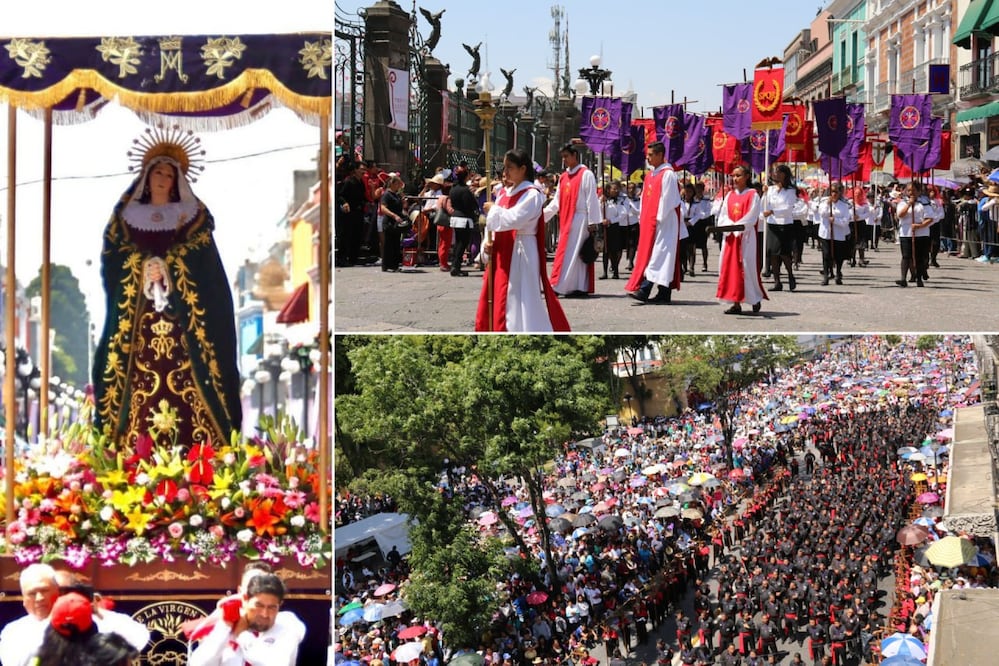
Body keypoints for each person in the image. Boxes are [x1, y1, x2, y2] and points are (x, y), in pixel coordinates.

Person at [92, 147, 242, 451]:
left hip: (182, 319)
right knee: (132, 377)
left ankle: (201, 448)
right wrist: (143, 266)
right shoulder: (125, 218)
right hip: (138, 318)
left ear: (177, 181)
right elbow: (113, 259)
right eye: (158, 172)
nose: (163, 178)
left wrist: (170, 266)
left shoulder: (191, 216)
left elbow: (206, 263)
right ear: (147, 178)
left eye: (170, 174)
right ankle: (128, 448)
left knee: (191, 376)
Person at [474, 148, 570, 332]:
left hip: (521, 249)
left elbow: (514, 219)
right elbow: (493, 225)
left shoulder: (532, 194)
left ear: (523, 168)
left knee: (521, 297)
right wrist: (487, 244)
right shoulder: (504, 193)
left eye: (510, 167)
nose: (505, 171)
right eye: (505, 167)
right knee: (502, 296)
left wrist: (493, 209)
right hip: (502, 250)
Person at [189, 573, 306, 666]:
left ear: (280, 605)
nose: (265, 614)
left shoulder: (288, 623)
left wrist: (242, 635)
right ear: (245, 599)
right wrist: (225, 626)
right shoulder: (225, 624)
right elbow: (199, 663)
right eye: (259, 606)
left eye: (272, 607)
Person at [626, 141, 683, 304]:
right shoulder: (651, 175)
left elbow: (669, 199)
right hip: (651, 223)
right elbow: (644, 198)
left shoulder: (668, 174)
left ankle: (645, 289)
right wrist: (642, 218)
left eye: (651, 155)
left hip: (664, 222)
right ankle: (663, 293)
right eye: (648, 154)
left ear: (660, 155)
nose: (648, 158)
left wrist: (658, 220)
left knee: (660, 255)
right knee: (656, 256)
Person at [544, 143, 602, 297]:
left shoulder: (586, 174)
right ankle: (566, 285)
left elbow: (592, 198)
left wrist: (593, 222)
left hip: (581, 219)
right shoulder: (563, 177)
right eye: (563, 157)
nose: (564, 160)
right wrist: (543, 215)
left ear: (575, 155)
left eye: (566, 156)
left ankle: (575, 286)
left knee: (579, 254)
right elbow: (557, 201)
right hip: (567, 219)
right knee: (567, 253)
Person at [715, 165, 766, 314]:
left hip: (746, 238)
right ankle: (735, 302)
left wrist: (737, 228)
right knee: (730, 269)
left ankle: (754, 298)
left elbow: (752, 216)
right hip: (730, 238)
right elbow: (723, 214)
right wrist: (729, 226)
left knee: (746, 268)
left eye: (738, 175)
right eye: (733, 175)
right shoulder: (730, 195)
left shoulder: (753, 195)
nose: (735, 179)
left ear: (747, 177)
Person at [0, 564, 61, 666]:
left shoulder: (76, 623)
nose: (39, 598)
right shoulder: (12, 631)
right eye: (32, 593)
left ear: (58, 592)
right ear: (24, 600)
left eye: (44, 590)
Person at [761, 164, 800, 291]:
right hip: (772, 224)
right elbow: (764, 204)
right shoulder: (770, 189)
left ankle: (790, 275)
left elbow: (788, 207)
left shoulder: (791, 191)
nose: (776, 174)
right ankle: (777, 281)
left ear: (785, 174)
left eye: (779, 172)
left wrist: (773, 211)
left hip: (785, 224)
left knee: (783, 253)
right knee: (772, 253)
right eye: (775, 172)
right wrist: (765, 196)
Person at [894, 182, 933, 288]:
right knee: (906, 256)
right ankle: (903, 278)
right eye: (909, 190)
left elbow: (929, 218)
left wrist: (919, 226)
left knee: (920, 257)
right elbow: (900, 215)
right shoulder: (902, 202)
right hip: (906, 233)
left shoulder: (924, 203)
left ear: (919, 191)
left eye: (914, 190)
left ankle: (919, 278)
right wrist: (909, 204)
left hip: (921, 233)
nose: (911, 192)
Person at [817, 182, 853, 286]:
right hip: (826, 233)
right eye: (832, 192)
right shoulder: (824, 203)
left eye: (836, 192)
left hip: (838, 234)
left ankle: (838, 273)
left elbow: (846, 221)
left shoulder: (844, 206)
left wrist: (835, 220)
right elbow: (822, 213)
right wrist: (828, 204)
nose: (834, 194)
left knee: (839, 256)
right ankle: (826, 275)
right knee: (826, 254)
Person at [448, 167, 478, 277]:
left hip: (456, 217)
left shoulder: (453, 189)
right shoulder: (465, 190)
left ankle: (455, 265)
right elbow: (470, 205)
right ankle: (456, 266)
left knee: (458, 243)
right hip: (464, 218)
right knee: (462, 243)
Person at [336, 161, 367, 267]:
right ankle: (342, 258)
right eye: (362, 169)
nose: (364, 171)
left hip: (358, 212)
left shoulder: (361, 183)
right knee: (346, 235)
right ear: (355, 170)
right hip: (349, 213)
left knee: (357, 235)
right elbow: (340, 195)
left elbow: (362, 197)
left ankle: (353, 258)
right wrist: (344, 203)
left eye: (365, 169)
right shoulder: (348, 181)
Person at [379, 174, 408, 272]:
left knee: (396, 243)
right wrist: (394, 215)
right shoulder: (386, 194)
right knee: (388, 244)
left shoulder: (397, 195)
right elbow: (383, 208)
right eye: (398, 183)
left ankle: (394, 265)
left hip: (397, 222)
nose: (400, 185)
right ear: (393, 183)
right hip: (390, 221)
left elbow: (400, 207)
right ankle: (387, 265)